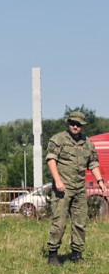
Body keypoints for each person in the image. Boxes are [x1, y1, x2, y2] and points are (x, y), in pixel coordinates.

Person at [45, 110, 107, 265]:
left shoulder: (88, 143)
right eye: (72, 123)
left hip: (80, 189)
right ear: (68, 123)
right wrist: (57, 180)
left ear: (82, 126)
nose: (75, 126)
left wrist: (100, 181)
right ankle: (53, 254)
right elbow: (51, 159)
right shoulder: (58, 139)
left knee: (79, 223)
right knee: (59, 223)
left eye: (78, 124)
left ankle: (77, 255)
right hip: (62, 189)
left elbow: (93, 163)